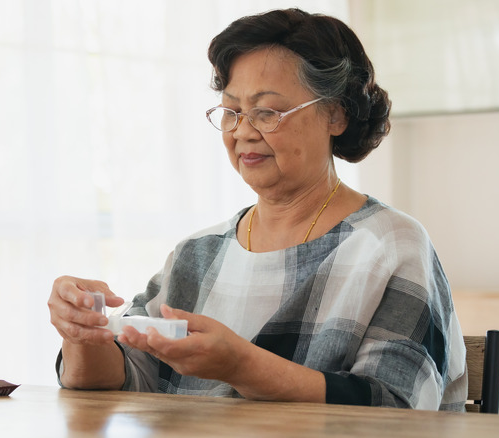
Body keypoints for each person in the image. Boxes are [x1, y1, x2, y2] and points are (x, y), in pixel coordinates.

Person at [47, 8, 467, 410]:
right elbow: (120, 378)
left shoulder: (390, 247)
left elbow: (397, 408)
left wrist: (240, 365)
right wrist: (85, 332)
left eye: (268, 112)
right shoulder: (199, 253)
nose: (243, 131)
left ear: (335, 114)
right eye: (232, 111)